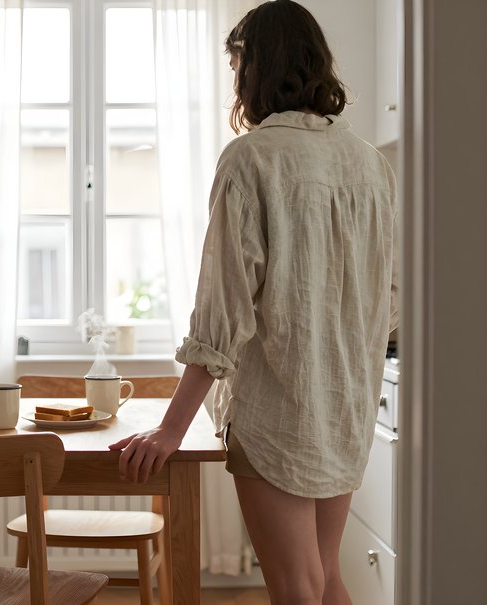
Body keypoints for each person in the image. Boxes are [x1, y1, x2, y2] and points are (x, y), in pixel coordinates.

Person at [108, 2, 398, 604]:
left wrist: (170, 429)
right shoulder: (371, 164)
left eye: (237, 63)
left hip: (277, 413)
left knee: (295, 587)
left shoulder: (251, 158)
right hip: (346, 406)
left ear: (257, 67)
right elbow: (387, 298)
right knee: (325, 577)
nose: (235, 79)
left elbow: (222, 313)